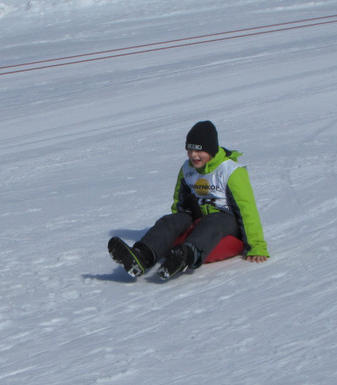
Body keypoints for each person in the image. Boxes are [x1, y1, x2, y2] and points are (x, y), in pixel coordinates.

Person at [109, 120, 269, 280]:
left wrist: (257, 246)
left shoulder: (230, 171)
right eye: (190, 150)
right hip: (198, 217)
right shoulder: (187, 169)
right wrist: (176, 227)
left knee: (213, 221)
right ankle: (142, 255)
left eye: (199, 150)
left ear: (211, 149)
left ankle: (185, 255)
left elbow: (247, 209)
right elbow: (179, 201)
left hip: (226, 221)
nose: (193, 155)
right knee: (170, 220)